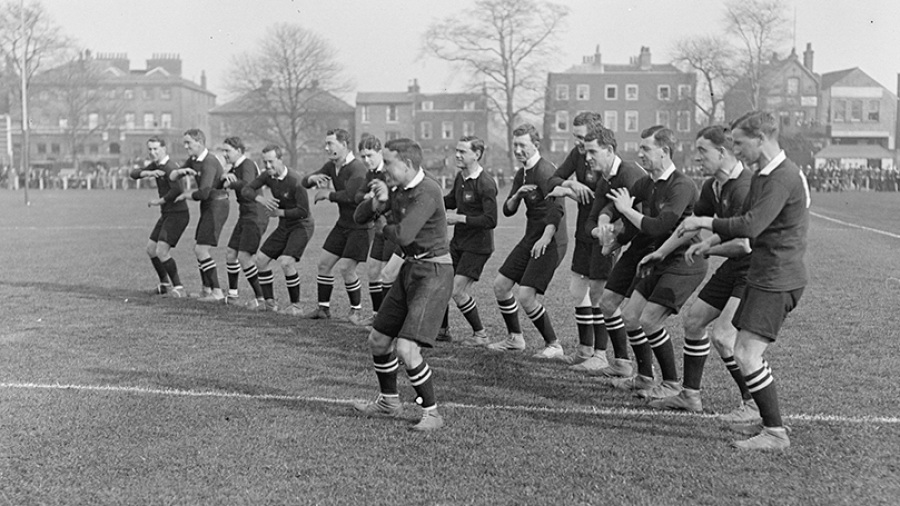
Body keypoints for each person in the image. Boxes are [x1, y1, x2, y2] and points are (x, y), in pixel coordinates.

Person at [679, 110, 810, 451]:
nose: (735, 150)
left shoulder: (782, 177)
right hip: (764, 272)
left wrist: (705, 223)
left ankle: (774, 432)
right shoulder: (765, 174)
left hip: (778, 277)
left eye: (738, 143)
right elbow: (746, 225)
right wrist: (712, 242)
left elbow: (750, 225)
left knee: (747, 352)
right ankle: (766, 423)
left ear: (760, 139)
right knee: (739, 347)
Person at [644, 126, 757, 423]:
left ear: (722, 152)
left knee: (723, 336)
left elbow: (744, 245)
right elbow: (690, 224)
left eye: (703, 151)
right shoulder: (711, 186)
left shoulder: (745, 187)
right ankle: (690, 395)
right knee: (694, 322)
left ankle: (753, 404)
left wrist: (707, 249)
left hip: (754, 269)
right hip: (733, 266)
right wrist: (663, 251)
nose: (697, 158)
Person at [352, 138, 454, 431]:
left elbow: (404, 235)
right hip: (411, 268)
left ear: (407, 165)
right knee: (378, 340)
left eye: (389, 163)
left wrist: (384, 221)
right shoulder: (396, 189)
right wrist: (378, 202)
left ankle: (432, 413)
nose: (384, 169)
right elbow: (360, 217)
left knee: (407, 348)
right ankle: (388, 401)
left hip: (434, 272)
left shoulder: (428, 191)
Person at [602, 126, 707, 400]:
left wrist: (626, 211)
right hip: (656, 258)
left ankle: (671, 385)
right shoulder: (646, 183)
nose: (640, 153)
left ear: (665, 152)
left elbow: (660, 228)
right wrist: (611, 228)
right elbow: (617, 206)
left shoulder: (682, 186)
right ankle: (646, 379)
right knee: (630, 317)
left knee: (649, 319)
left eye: (646, 148)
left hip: (682, 260)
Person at [487, 124, 566, 358]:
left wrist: (545, 238)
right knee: (500, 286)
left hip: (550, 239)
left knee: (526, 295)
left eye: (523, 145)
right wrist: (518, 194)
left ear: (536, 145)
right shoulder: (522, 172)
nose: (518, 149)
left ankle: (554, 345)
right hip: (531, 237)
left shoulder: (544, 171)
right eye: (515, 145)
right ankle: (515, 339)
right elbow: (508, 209)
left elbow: (558, 208)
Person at [545, 112, 616, 368]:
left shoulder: (607, 160)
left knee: (600, 294)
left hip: (603, 234)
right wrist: (570, 185)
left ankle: (601, 354)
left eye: (581, 136)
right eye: (574, 136)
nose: (577, 142)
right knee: (578, 290)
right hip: (584, 232)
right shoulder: (577, 155)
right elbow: (552, 180)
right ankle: (585, 351)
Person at [302, 128, 371, 323]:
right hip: (343, 224)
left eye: (330, 143)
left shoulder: (357, 168)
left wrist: (328, 195)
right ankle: (323, 309)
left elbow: (352, 196)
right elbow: (305, 182)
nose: (326, 148)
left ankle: (356, 311)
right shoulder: (332, 166)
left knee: (347, 268)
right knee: (324, 264)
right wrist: (310, 179)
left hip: (360, 226)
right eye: (326, 144)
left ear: (344, 145)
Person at [438, 135, 498, 345]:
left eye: (463, 151)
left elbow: (491, 220)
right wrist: (430, 198)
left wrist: (460, 219)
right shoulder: (460, 178)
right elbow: (451, 200)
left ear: (477, 154)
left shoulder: (486, 184)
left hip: (478, 246)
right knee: (442, 283)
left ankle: (480, 335)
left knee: (457, 290)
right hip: (458, 243)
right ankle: (442, 330)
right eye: (457, 150)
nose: (457, 155)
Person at [242, 144, 314, 313]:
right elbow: (246, 190)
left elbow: (303, 212)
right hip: (284, 225)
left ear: (281, 160)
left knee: (286, 262)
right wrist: (261, 199)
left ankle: (296, 305)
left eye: (271, 162)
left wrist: (279, 211)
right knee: (260, 260)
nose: (267, 167)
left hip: (301, 226)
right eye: (264, 162)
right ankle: (270, 303)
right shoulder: (268, 176)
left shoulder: (296, 181)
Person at [170, 129, 229, 302]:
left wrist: (186, 195)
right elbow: (173, 175)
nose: (185, 146)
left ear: (200, 142)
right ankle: (206, 290)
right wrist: (181, 172)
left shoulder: (209, 162)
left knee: (201, 249)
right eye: (184, 143)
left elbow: (203, 192)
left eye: (188, 143)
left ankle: (217, 293)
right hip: (209, 205)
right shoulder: (194, 160)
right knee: (199, 248)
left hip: (217, 205)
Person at [129, 137, 190, 298]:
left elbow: (177, 190)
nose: (152, 152)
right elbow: (133, 174)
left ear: (165, 148)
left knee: (162, 251)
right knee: (151, 249)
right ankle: (165, 285)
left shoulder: (169, 167)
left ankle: (179, 288)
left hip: (178, 214)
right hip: (167, 214)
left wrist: (159, 201)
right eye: (150, 149)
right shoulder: (157, 166)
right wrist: (148, 172)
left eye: (156, 149)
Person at [221, 137, 269, 305]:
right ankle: (233, 296)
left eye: (228, 151)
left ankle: (262, 298)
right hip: (245, 215)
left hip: (256, 215)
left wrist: (229, 183)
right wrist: (226, 177)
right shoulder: (235, 167)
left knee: (244, 256)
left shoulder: (247, 164)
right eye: (223, 151)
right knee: (230, 253)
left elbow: (247, 184)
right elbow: (222, 183)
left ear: (239, 151)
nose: (224, 154)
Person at [355, 135, 395, 326]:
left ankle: (390, 319)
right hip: (379, 229)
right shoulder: (370, 174)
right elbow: (358, 196)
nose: (366, 160)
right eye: (362, 156)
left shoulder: (389, 171)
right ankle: (377, 315)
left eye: (370, 155)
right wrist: (369, 196)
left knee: (389, 274)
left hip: (393, 229)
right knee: (373, 270)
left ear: (380, 152)